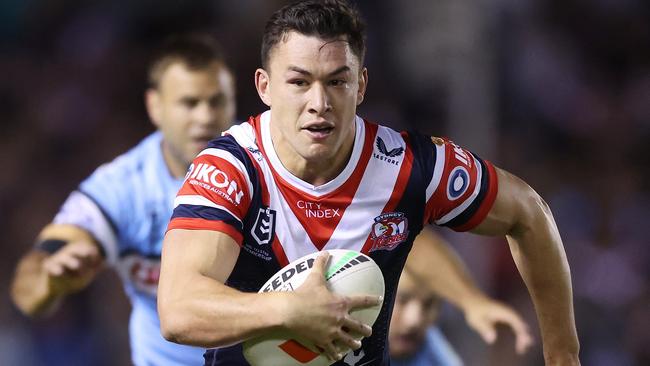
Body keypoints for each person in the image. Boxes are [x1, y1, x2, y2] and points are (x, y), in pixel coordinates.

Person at [158, 1, 580, 365]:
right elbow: (178, 311)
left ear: (360, 85)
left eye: (336, 82)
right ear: (264, 87)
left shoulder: (409, 167)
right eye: (299, 82)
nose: (318, 104)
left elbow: (528, 212)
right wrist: (288, 310)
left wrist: (563, 355)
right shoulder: (231, 169)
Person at [10, 33, 236, 366]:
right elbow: (30, 287)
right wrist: (50, 279)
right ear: (155, 106)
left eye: (216, 102)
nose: (204, 117)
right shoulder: (121, 188)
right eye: (189, 103)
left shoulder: (267, 166)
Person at [390, 228, 531, 366]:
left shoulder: (441, 359)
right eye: (402, 300)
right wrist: (472, 302)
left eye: (429, 304)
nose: (414, 320)